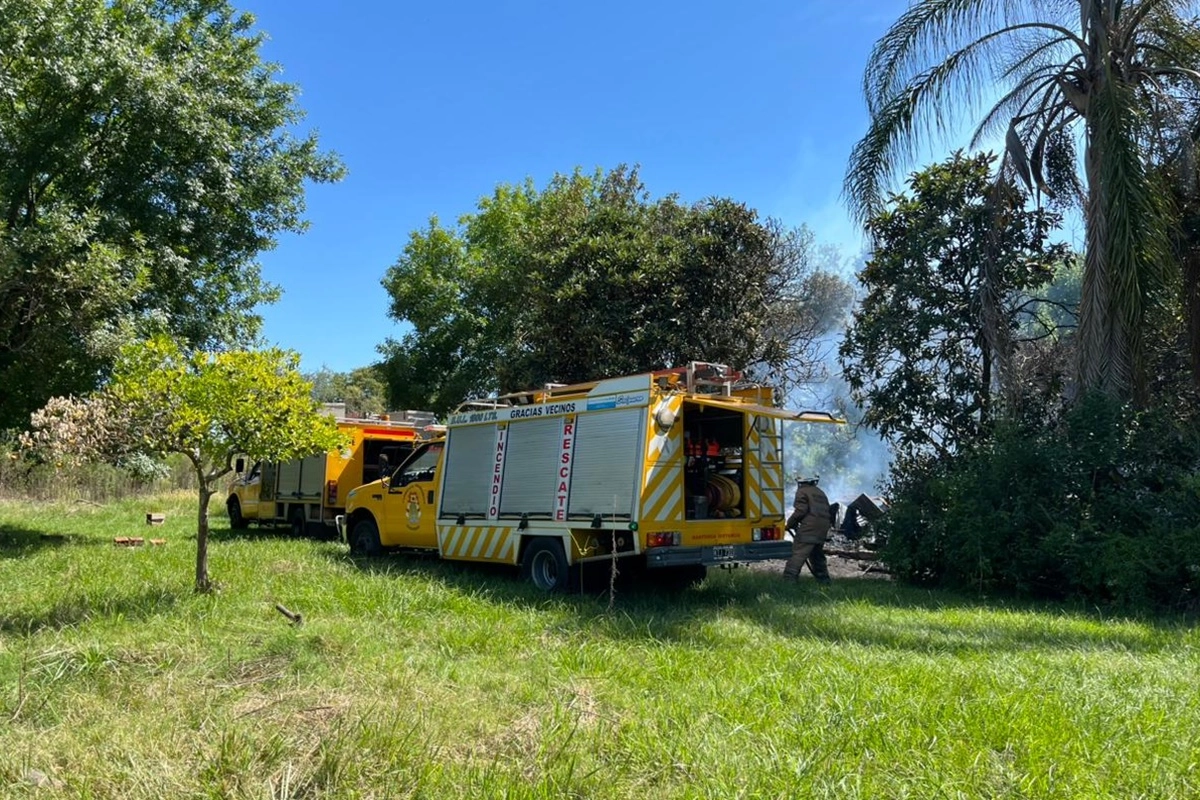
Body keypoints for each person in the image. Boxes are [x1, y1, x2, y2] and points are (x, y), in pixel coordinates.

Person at [783, 475, 832, 584]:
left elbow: (800, 511)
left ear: (801, 483)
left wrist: (789, 524)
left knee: (798, 553)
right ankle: (824, 581)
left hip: (809, 528)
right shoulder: (820, 492)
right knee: (816, 554)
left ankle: (788, 580)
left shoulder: (802, 491)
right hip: (822, 527)